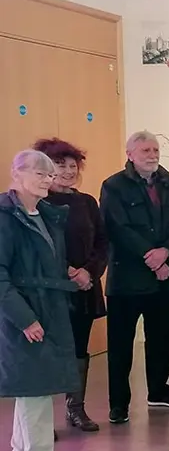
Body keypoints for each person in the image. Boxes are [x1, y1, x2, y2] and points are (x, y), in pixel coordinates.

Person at [100, 131, 169, 424]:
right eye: (145, 150)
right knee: (121, 347)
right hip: (126, 282)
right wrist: (152, 258)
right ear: (130, 154)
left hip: (163, 278)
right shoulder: (114, 186)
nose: (152, 155)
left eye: (155, 149)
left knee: (163, 340)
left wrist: (166, 251)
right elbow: (118, 228)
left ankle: (159, 391)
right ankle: (119, 404)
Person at [0, 150, 80, 450]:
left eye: (49, 174)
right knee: (36, 395)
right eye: (39, 173)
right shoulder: (4, 217)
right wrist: (25, 318)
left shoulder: (46, 214)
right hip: (25, 319)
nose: (48, 179)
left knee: (33, 393)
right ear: (16, 174)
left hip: (49, 313)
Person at [34, 138, 109, 433]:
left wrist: (89, 273)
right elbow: (40, 247)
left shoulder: (87, 202)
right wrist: (68, 271)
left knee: (79, 349)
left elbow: (102, 243)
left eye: (72, 165)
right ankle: (41, 420)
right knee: (47, 353)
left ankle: (75, 409)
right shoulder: (38, 203)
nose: (67, 171)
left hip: (84, 289)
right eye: (60, 165)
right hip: (51, 290)